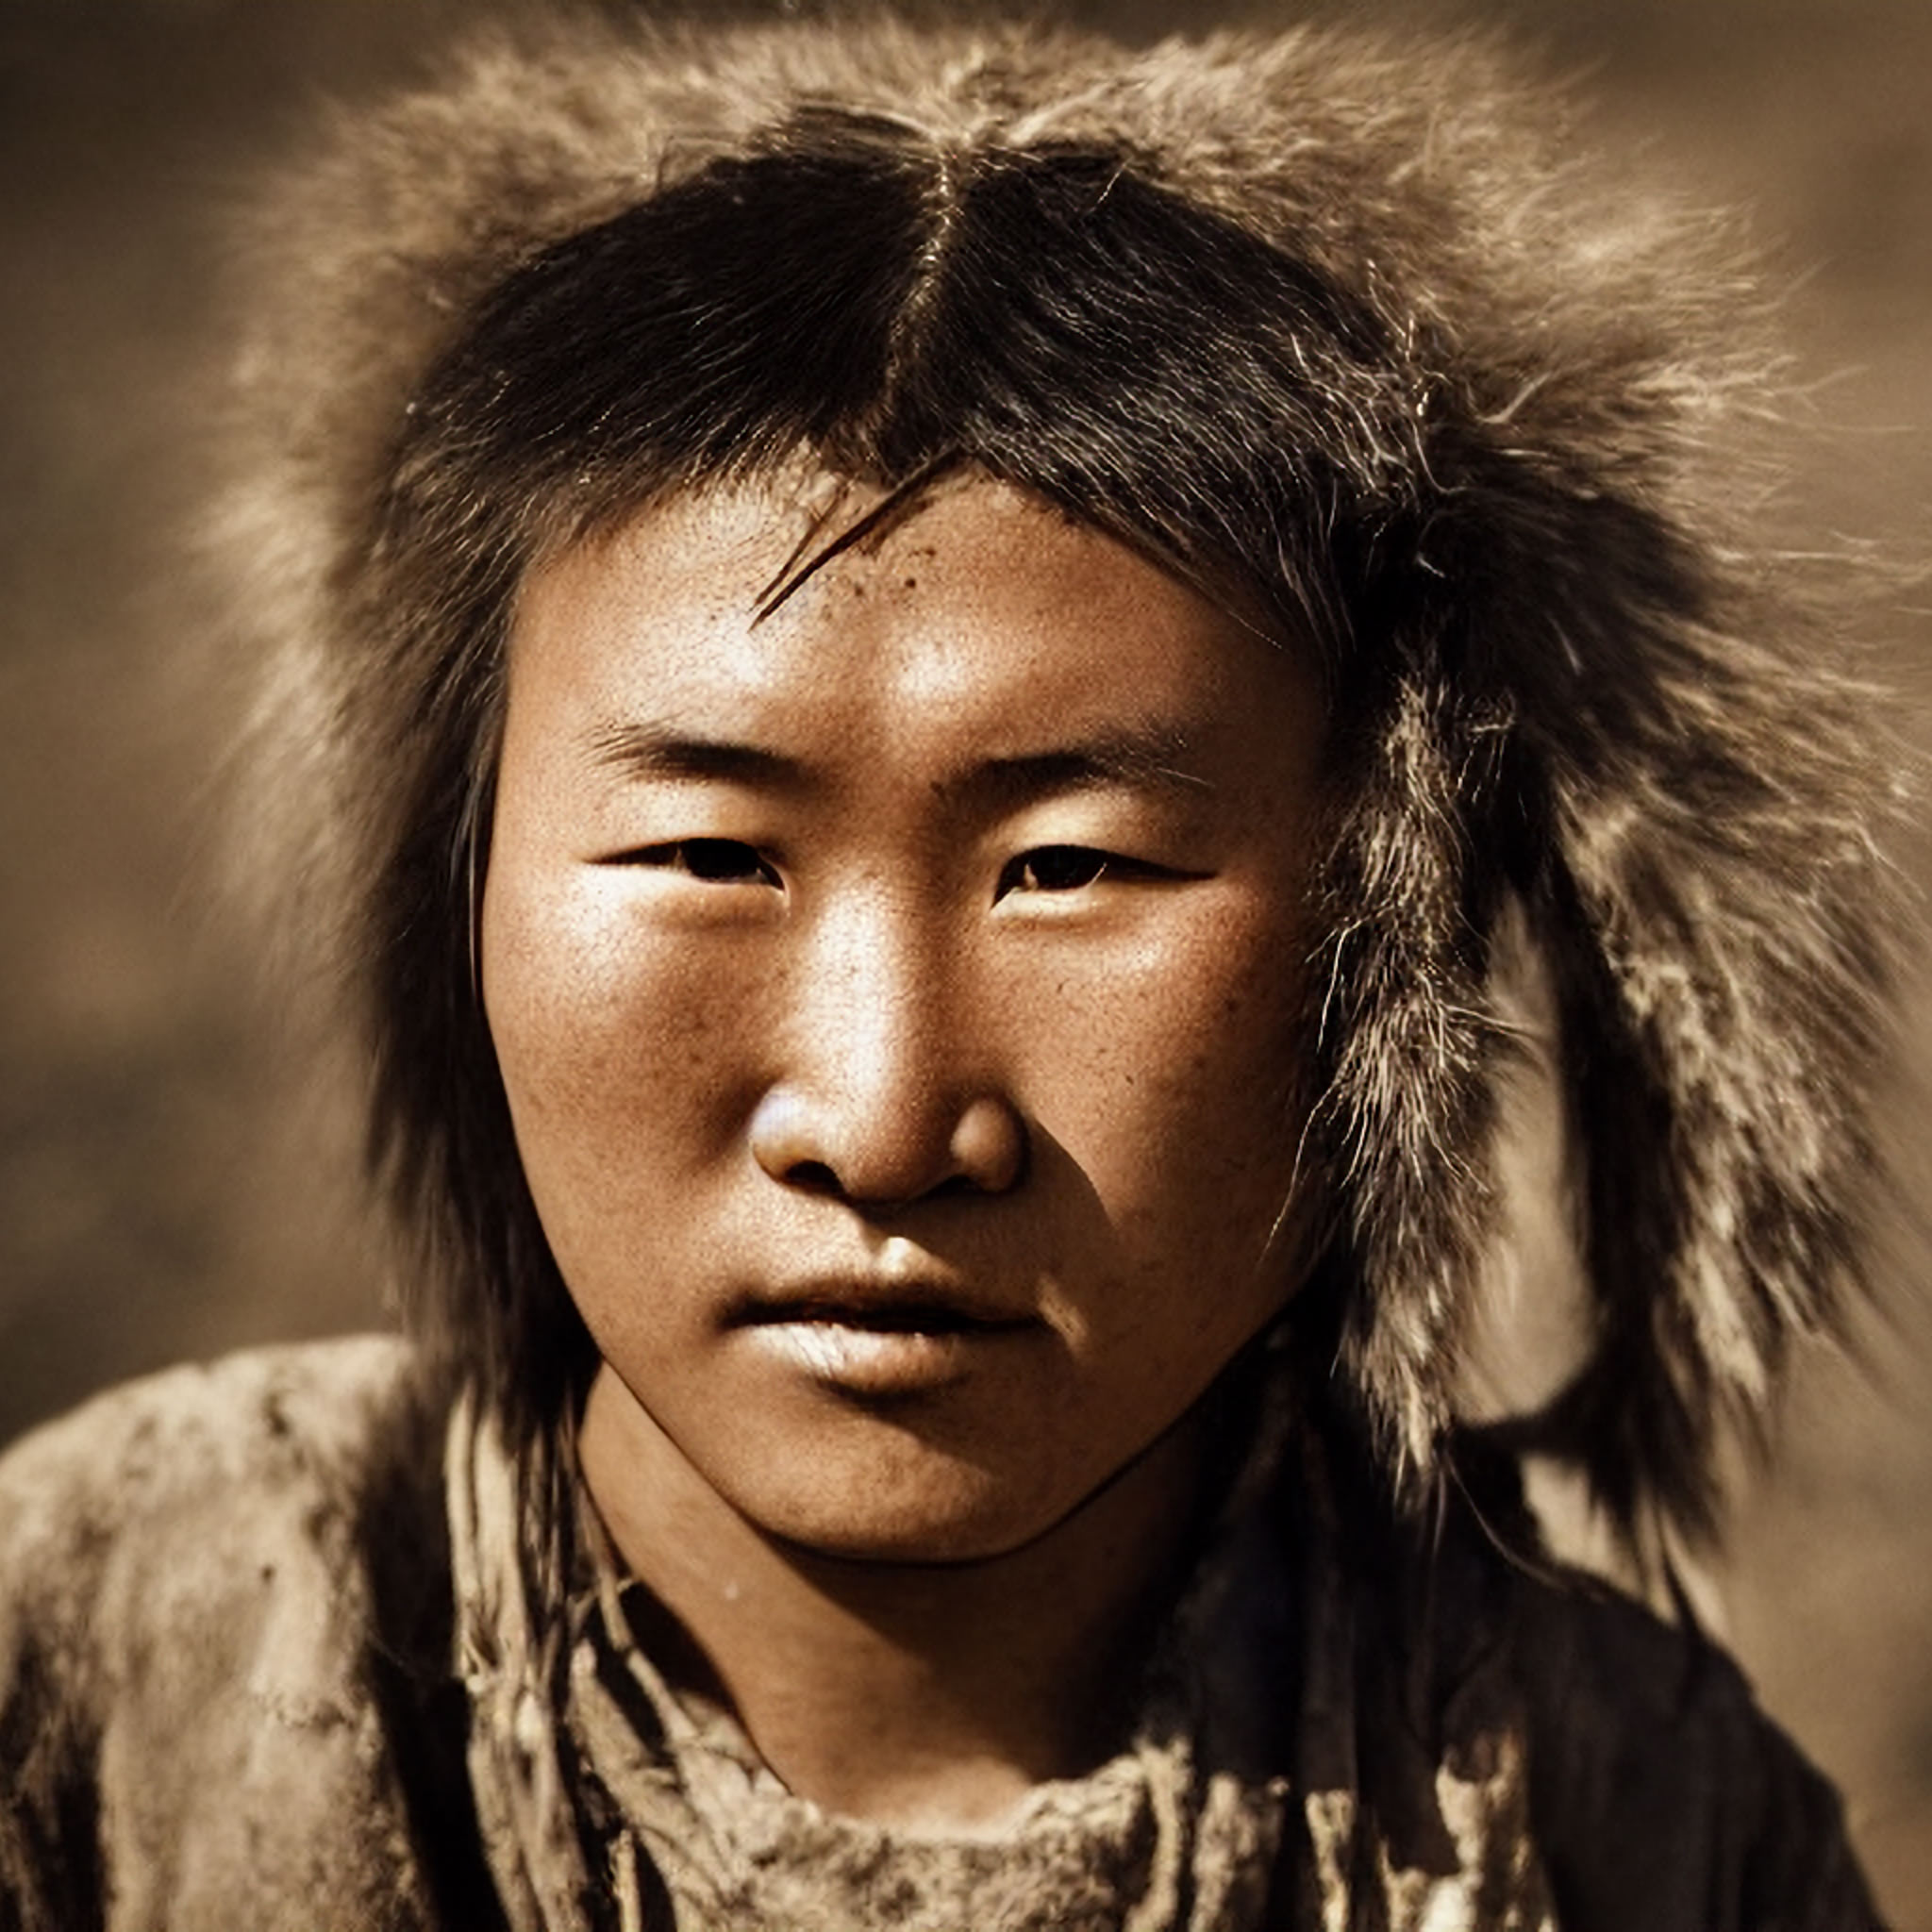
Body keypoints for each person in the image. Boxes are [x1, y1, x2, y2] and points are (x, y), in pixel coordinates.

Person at [0, 13, 1903, 1929]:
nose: (883, 1120)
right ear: (468, 887)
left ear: (1395, 950)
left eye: (1068, 867)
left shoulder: (1629, 1830)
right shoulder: (100, 1658)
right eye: (705, 854)